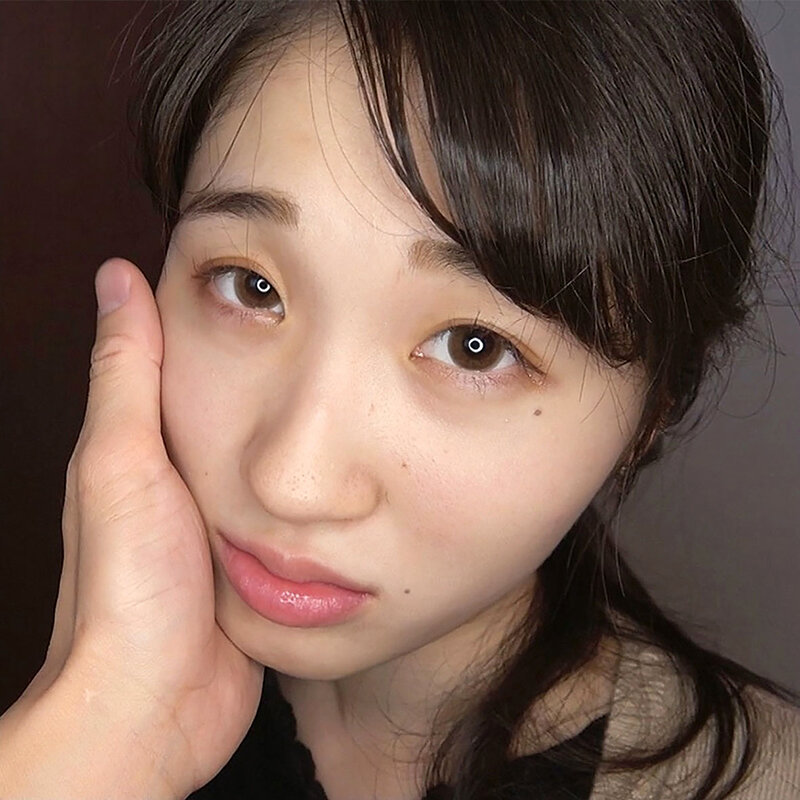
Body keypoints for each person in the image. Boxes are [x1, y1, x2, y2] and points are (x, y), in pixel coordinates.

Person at [0, 1, 798, 798]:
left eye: (474, 346)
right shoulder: (115, 673)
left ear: (652, 412)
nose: (290, 482)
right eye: (251, 285)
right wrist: (105, 732)